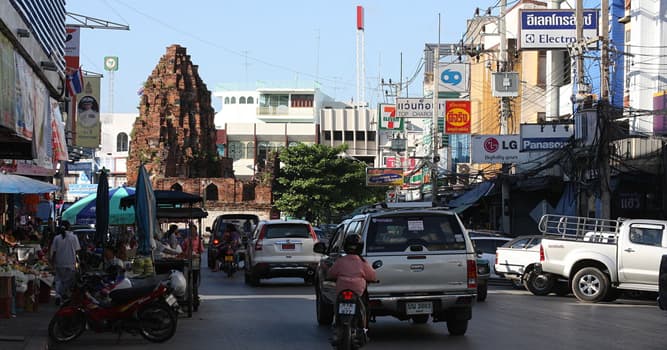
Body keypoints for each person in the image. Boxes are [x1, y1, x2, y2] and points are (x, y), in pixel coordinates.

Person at [327, 234, 377, 332]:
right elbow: (372, 276)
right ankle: (364, 326)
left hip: (341, 289)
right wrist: (373, 280)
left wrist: (331, 278)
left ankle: (336, 322)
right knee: (365, 305)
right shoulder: (362, 262)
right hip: (358, 291)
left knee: (336, 303)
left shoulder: (340, 261)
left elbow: (330, 274)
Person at [49, 221, 81, 305]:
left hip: (59, 262)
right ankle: (64, 295)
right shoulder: (74, 237)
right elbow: (77, 251)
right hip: (70, 262)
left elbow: (54, 252)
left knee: (59, 280)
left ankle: (58, 296)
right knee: (68, 281)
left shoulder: (57, 238)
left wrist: (52, 261)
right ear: (69, 227)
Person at [181, 224, 204, 310]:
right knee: (186, 280)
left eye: (193, 230)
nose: (192, 232)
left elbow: (201, 250)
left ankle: (195, 297)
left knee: (194, 281)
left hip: (195, 262)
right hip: (187, 261)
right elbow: (183, 249)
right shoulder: (186, 240)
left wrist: (196, 254)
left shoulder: (198, 241)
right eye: (191, 230)